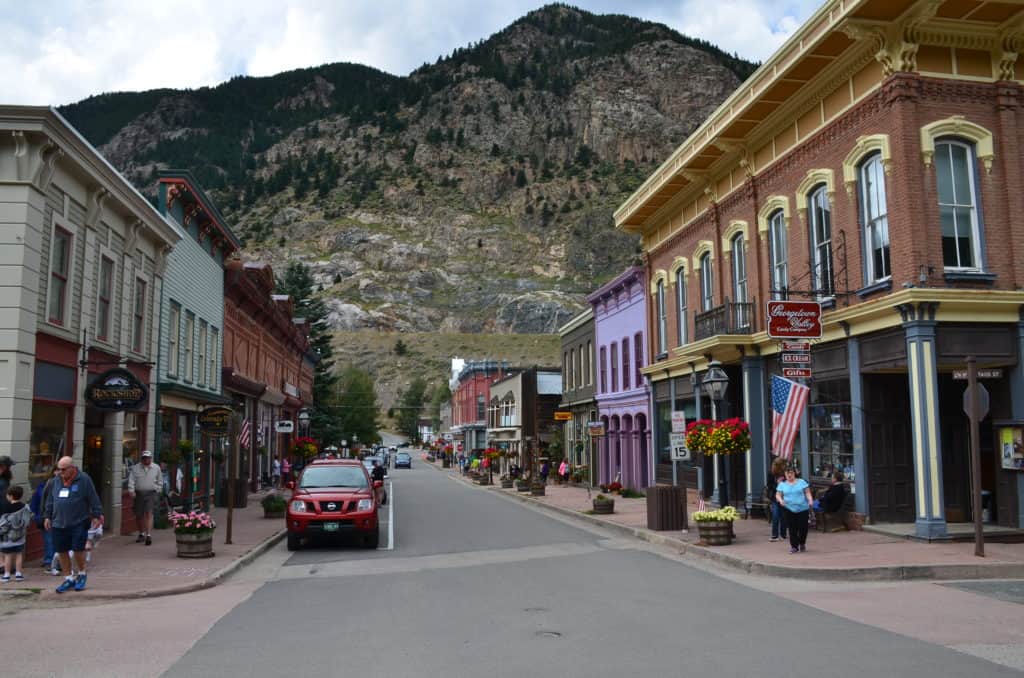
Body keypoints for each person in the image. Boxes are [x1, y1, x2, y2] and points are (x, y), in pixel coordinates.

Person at [44, 455, 104, 593]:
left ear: (72, 468)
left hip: (78, 520)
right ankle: (68, 578)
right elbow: (50, 500)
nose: (60, 472)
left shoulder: (84, 479)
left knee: (78, 549)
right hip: (59, 522)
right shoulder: (55, 481)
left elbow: (93, 497)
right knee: (61, 551)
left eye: (63, 469)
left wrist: (96, 514)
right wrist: (47, 516)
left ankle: (81, 574)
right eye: (59, 469)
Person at [29, 465, 60, 574]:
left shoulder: (66, 484)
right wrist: (35, 514)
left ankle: (55, 562)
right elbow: (36, 499)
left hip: (59, 517)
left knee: (55, 540)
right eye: (57, 470)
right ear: (53, 471)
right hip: (45, 516)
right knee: (48, 539)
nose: (59, 472)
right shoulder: (45, 484)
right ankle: (49, 561)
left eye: (62, 470)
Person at [775, 466, 813, 554]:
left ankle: (802, 542)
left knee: (803, 528)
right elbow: (778, 495)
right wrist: (781, 500)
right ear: (785, 474)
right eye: (787, 473)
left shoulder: (802, 482)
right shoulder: (782, 484)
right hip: (789, 509)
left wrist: (810, 500)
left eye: (791, 473)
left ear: (794, 473)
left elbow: (807, 492)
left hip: (802, 508)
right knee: (792, 528)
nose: (789, 475)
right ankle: (794, 546)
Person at [127, 450, 163, 545]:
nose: (146, 460)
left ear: (151, 458)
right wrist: (131, 490)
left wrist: (158, 489)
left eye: (148, 458)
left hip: (151, 493)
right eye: (144, 458)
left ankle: (148, 535)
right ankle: (141, 533)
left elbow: (160, 480)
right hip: (139, 493)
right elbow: (131, 480)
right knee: (139, 515)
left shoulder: (156, 468)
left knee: (149, 513)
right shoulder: (135, 468)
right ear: (141, 459)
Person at [1, 485, 32, 582]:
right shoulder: (25, 507)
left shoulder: (4, 507)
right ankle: (18, 574)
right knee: (19, 554)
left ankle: (6, 575)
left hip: (7, 537)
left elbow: (3, 523)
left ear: (10, 496)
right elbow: (27, 521)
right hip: (20, 536)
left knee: (8, 556)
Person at [765, 457, 788, 543]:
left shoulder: (785, 473)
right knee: (775, 515)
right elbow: (769, 485)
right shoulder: (771, 473)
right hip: (775, 497)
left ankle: (783, 534)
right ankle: (775, 535)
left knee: (783, 516)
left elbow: (789, 483)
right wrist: (777, 484)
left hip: (784, 496)